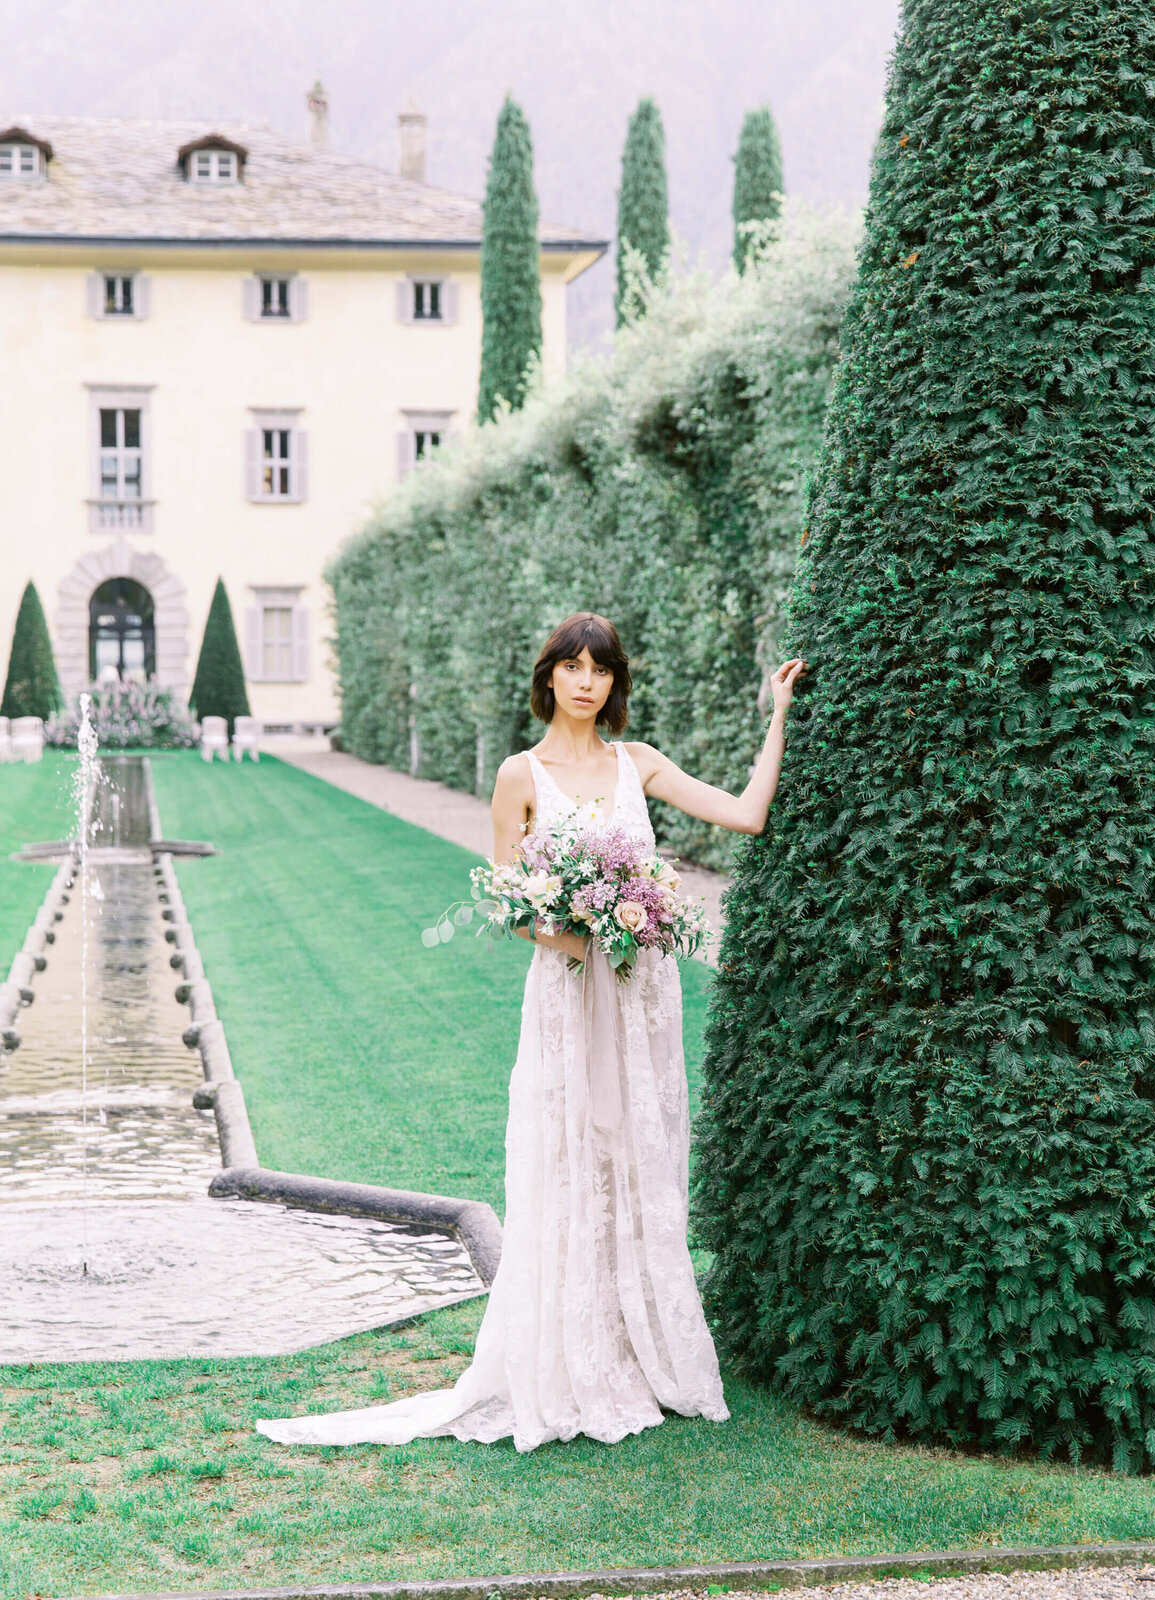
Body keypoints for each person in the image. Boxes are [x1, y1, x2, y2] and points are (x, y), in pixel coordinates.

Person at [257, 612, 807, 1451]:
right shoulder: (520, 776)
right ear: (548, 677)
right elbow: (511, 904)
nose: (587, 682)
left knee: (640, 1156)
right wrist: (574, 931)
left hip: (640, 998)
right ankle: (572, 1353)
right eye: (572, 667)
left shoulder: (640, 763)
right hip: (568, 992)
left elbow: (746, 816)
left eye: (602, 670)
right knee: (568, 1154)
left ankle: (642, 1346)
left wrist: (776, 717)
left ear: (616, 683)